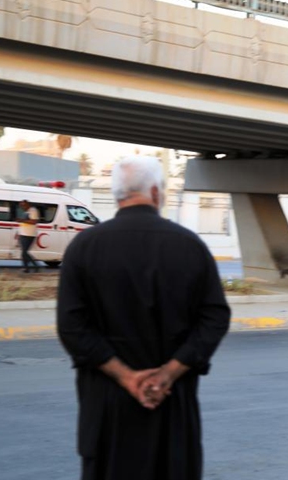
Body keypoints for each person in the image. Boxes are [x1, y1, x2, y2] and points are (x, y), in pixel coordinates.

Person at [57, 156, 231, 480]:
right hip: (172, 407)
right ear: (155, 192)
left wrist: (125, 377)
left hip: (107, 410)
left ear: (117, 195)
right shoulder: (190, 246)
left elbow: (71, 327)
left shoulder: (84, 247)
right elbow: (215, 318)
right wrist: (169, 373)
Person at [17, 199, 40, 273]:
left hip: (29, 235)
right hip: (23, 234)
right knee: (23, 252)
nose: (22, 207)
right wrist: (18, 233)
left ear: (28, 204)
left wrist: (22, 220)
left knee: (24, 252)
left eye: (23, 205)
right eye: (21, 205)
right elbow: (23, 224)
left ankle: (35, 265)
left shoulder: (33, 210)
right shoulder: (25, 211)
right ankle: (26, 268)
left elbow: (34, 221)